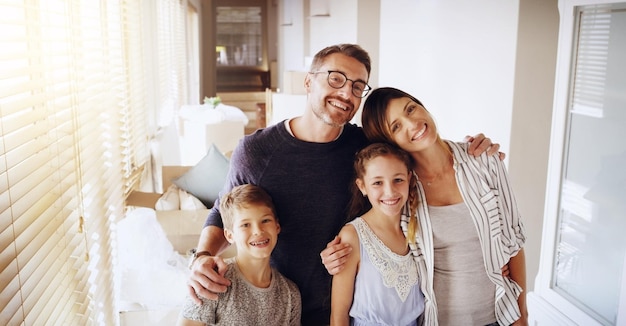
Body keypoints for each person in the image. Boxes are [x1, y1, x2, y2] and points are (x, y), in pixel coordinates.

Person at [187, 43, 501, 325]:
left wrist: (470, 151)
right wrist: (201, 258)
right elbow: (223, 210)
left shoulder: (364, 148)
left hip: (354, 310)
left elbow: (413, 149)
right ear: (309, 81)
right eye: (335, 78)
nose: (346, 93)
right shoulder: (256, 151)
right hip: (283, 307)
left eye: (357, 86)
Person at [323, 87, 527, 326]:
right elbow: (377, 240)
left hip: (501, 314)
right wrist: (336, 255)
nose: (412, 123)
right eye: (396, 126)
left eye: (411, 109)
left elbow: (514, 241)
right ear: (390, 141)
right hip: (438, 319)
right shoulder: (401, 190)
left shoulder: (484, 160)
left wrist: (522, 315)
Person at [331, 143, 427, 326]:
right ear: (362, 186)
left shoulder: (417, 229)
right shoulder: (352, 236)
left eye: (398, 180)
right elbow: (338, 315)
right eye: (377, 183)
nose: (390, 192)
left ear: (409, 179)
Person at [177, 184, 301, 325]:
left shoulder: (290, 294)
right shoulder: (210, 281)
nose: (258, 231)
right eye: (245, 225)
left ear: (277, 227)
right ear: (230, 235)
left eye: (265, 221)